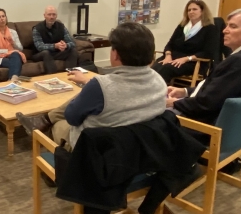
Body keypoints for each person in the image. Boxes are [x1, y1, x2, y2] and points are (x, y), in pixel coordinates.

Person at [17, 22, 166, 150]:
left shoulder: (101, 87)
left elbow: (72, 117)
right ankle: (44, 120)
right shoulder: (160, 82)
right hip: (140, 148)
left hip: (97, 150)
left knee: (59, 125)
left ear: (115, 55)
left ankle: (61, 167)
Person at [167, 8, 241, 126]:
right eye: (227, 26)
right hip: (220, 118)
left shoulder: (239, 61)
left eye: (233, 26)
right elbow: (217, 90)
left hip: (204, 127)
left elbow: (206, 104)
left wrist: (174, 103)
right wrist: (185, 91)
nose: (224, 31)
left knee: (148, 122)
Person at [151, 0, 218, 84]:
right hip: (173, 58)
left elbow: (208, 52)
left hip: (193, 62)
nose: (191, 12)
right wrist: (168, 56)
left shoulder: (210, 28)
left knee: (166, 69)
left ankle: (157, 93)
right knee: (155, 67)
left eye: (194, 9)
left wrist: (186, 59)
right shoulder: (182, 26)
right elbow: (170, 44)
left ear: (202, 11)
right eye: (189, 10)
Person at [31, 5, 78, 75]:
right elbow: (39, 46)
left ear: (56, 16)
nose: (51, 17)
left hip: (56, 53)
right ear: (44, 15)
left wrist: (66, 45)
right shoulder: (37, 28)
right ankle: (53, 76)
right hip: (39, 54)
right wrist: (54, 46)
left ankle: (69, 74)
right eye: (49, 14)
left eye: (54, 14)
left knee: (72, 50)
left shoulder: (61, 26)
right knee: (45, 53)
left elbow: (72, 42)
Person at [0, 8, 26, 81]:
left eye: (3, 16)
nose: (2, 19)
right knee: (16, 61)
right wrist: (7, 51)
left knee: (16, 55)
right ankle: (14, 79)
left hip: (13, 56)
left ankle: (12, 80)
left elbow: (20, 48)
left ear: (6, 18)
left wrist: (13, 43)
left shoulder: (13, 32)